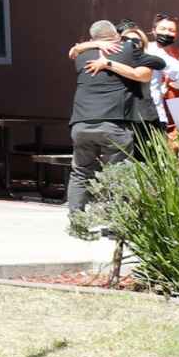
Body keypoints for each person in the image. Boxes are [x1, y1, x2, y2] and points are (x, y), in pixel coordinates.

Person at [62, 19, 165, 236]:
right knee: (118, 174)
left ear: (93, 39)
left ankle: (77, 224)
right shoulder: (128, 49)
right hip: (114, 124)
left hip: (81, 123)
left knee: (80, 173)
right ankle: (117, 226)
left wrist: (89, 46)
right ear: (116, 36)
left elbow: (74, 49)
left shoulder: (80, 56)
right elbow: (158, 63)